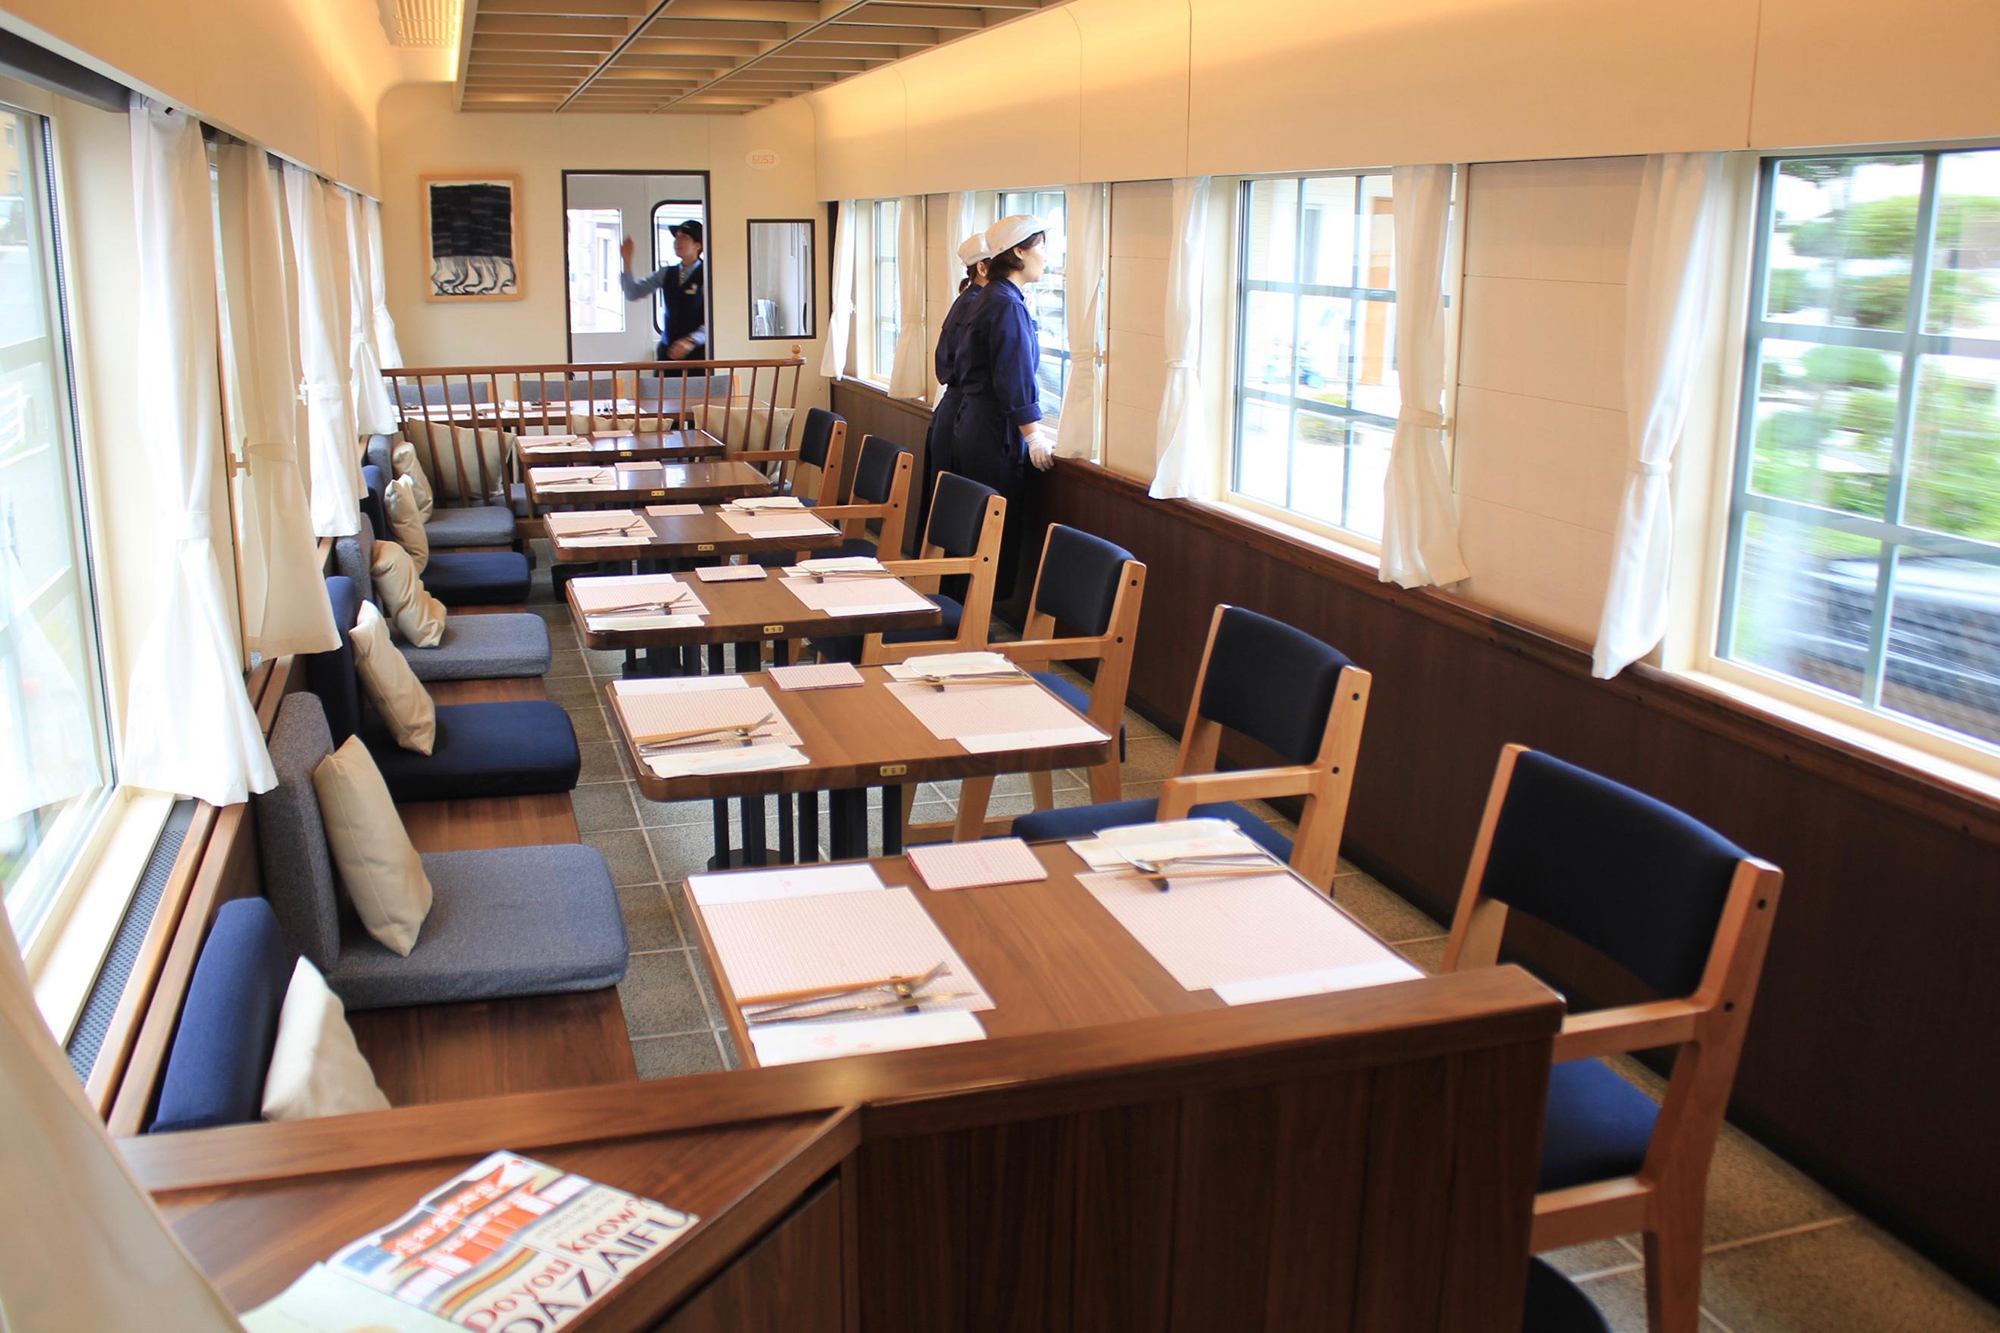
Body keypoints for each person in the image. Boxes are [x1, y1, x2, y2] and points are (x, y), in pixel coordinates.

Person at [951, 214, 1056, 602]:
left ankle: (970, 620)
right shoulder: (1005, 304)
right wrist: (1034, 435)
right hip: (993, 433)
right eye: (1040, 247)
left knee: (977, 528)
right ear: (1017, 252)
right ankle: (974, 628)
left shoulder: (990, 297)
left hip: (975, 426)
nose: (1046, 257)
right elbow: (1012, 375)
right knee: (990, 530)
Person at [918, 230, 994, 541]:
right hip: (959, 412)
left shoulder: (967, 300)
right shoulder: (976, 306)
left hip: (952, 410)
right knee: (955, 518)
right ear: (983, 269)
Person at [619, 219, 706, 361]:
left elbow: (715, 321)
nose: (677, 241)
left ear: (697, 245)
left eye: (684, 237)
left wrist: (691, 340)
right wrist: (627, 261)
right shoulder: (666, 273)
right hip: (668, 352)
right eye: (676, 237)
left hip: (698, 354)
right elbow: (632, 293)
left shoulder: (708, 274)